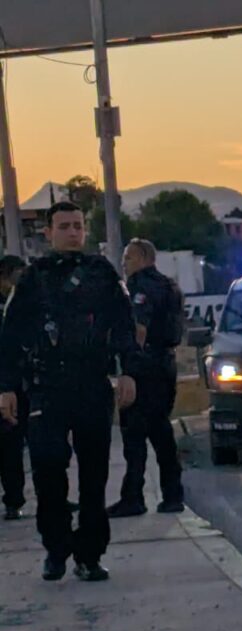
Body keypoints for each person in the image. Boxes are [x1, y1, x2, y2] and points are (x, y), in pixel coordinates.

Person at [0, 201, 140, 582]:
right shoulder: (34, 278)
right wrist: (7, 388)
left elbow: (123, 326)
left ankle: (89, 554)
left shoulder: (102, 274)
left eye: (78, 225)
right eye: (64, 226)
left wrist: (127, 371)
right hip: (46, 387)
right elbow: (10, 336)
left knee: (94, 474)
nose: (73, 232)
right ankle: (56, 547)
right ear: (49, 233)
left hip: (91, 384)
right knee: (47, 468)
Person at [107, 238, 185, 518]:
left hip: (146, 367)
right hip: (166, 364)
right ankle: (173, 494)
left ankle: (133, 497)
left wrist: (129, 369)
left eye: (128, 258)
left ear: (141, 258)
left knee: (135, 434)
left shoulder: (140, 287)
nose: (125, 264)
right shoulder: (169, 285)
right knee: (162, 431)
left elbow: (139, 329)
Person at [0, 255, 26, 521]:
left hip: (18, 384)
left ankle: (14, 500)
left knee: (13, 446)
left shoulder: (20, 304)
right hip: (6, 385)